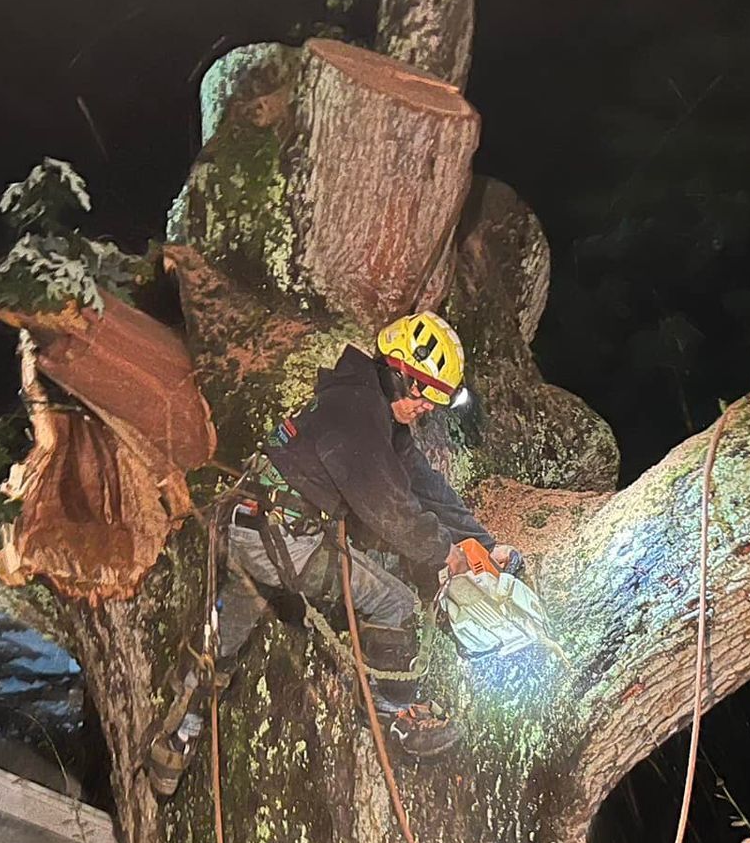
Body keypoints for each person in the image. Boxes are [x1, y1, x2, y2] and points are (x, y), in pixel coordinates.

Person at [147, 310, 522, 793]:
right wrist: (446, 556)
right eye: (421, 393)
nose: (426, 407)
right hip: (281, 541)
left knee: (222, 643)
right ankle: (394, 718)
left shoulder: (366, 409)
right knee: (398, 604)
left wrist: (485, 545)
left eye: (435, 399)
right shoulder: (355, 416)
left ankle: (174, 742)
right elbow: (392, 511)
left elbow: (425, 489)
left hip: (252, 532)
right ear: (398, 373)